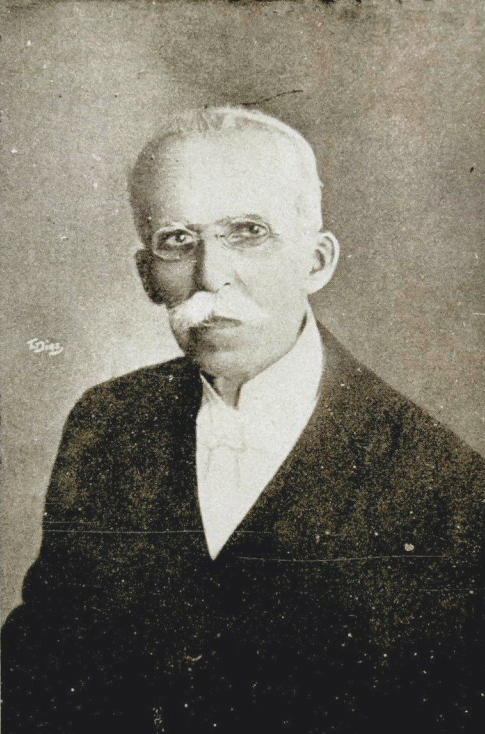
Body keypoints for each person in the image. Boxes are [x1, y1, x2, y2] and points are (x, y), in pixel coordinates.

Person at [2, 107, 484, 733]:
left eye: (248, 231)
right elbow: (37, 672)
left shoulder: (449, 491)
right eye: (178, 240)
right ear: (148, 276)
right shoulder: (107, 424)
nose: (210, 274)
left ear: (317, 261)